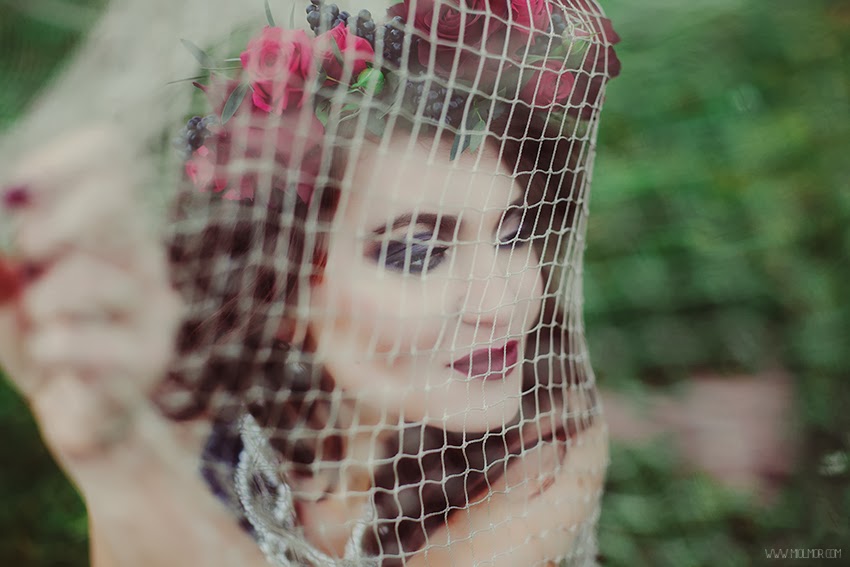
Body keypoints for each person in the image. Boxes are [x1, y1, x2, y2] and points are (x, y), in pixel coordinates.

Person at [0, 1, 619, 565]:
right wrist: (115, 452)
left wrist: (119, 467)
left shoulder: (549, 446)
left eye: (511, 232)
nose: (504, 303)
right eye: (416, 252)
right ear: (283, 292)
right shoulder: (187, 429)